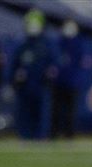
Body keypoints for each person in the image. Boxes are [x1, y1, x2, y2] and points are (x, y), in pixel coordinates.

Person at [11, 8, 57, 140]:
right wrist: (14, 78)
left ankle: (41, 137)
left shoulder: (47, 44)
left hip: (41, 83)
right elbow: (15, 64)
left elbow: (54, 62)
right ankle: (25, 136)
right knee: (24, 111)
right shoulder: (23, 44)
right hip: (25, 85)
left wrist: (50, 73)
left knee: (42, 111)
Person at [51, 19, 89, 139]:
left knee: (71, 111)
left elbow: (84, 62)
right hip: (58, 81)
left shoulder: (79, 43)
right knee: (56, 109)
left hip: (73, 82)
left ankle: (69, 134)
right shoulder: (58, 43)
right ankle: (54, 132)